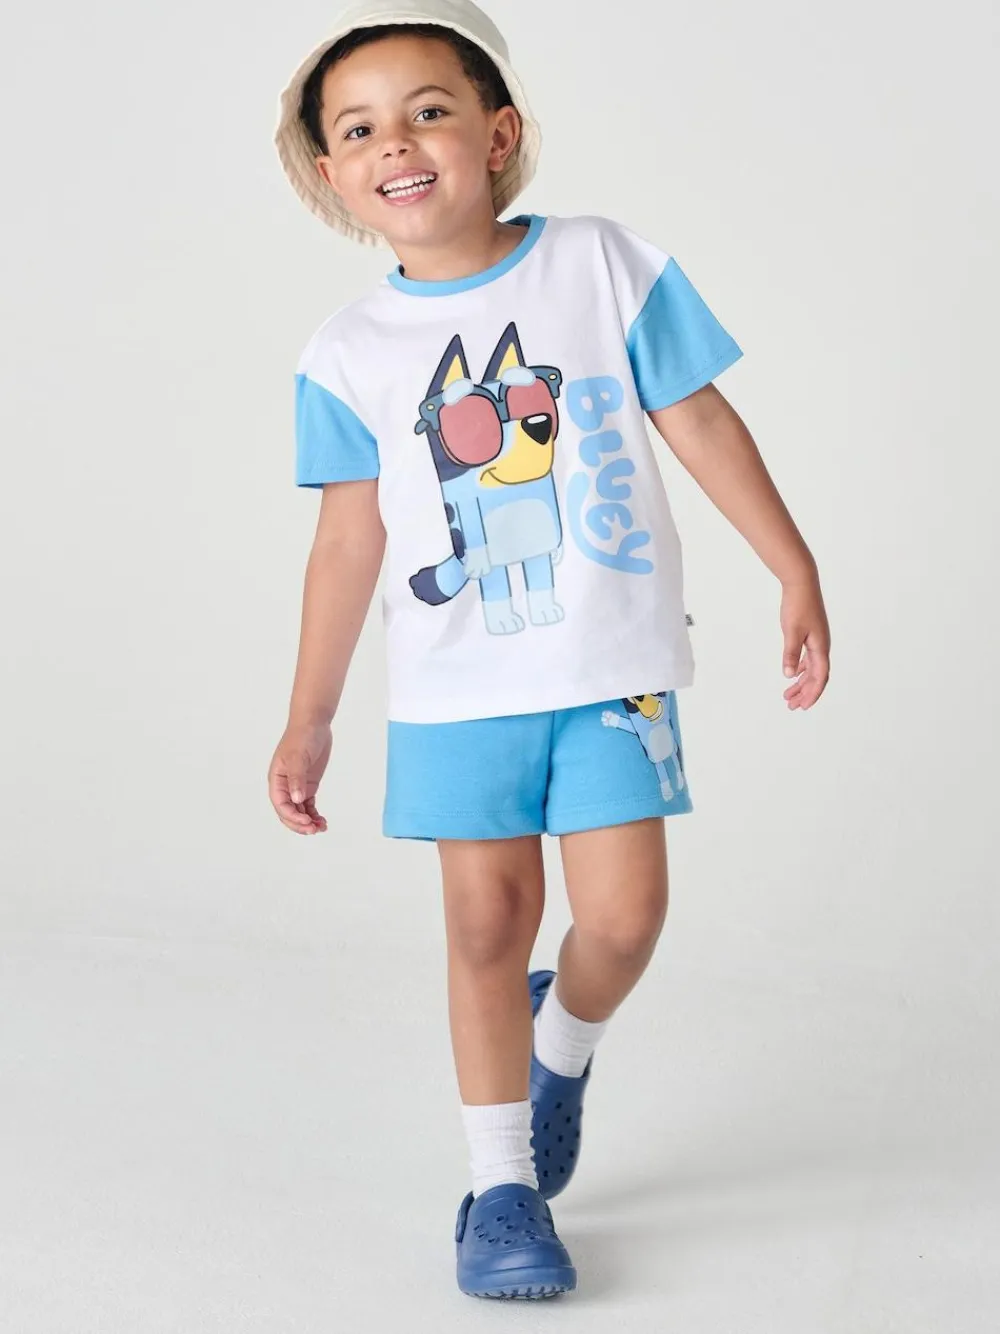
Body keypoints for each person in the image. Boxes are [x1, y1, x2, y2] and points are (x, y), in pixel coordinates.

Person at [269, 0, 831, 1301]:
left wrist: (791, 563)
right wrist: (311, 714)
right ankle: (503, 1188)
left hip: (612, 670)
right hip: (456, 693)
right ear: (334, 177)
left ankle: (560, 1042)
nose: (397, 142)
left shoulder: (601, 264)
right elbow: (346, 544)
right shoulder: (347, 355)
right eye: (359, 129)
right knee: (486, 922)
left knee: (624, 921)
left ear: (498, 132)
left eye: (428, 111)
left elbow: (698, 419)